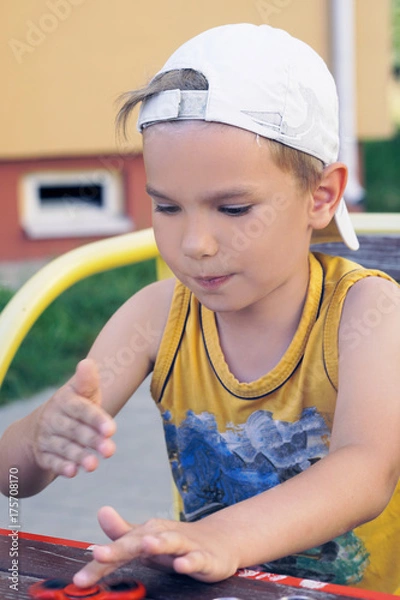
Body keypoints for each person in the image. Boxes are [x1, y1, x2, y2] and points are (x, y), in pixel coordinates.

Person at [1, 23, 400, 594]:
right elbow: (12, 479)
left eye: (233, 209)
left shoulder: (368, 310)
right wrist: (43, 434)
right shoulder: (156, 317)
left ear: (321, 196)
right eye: (167, 207)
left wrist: (223, 538)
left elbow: (366, 470)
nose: (195, 244)